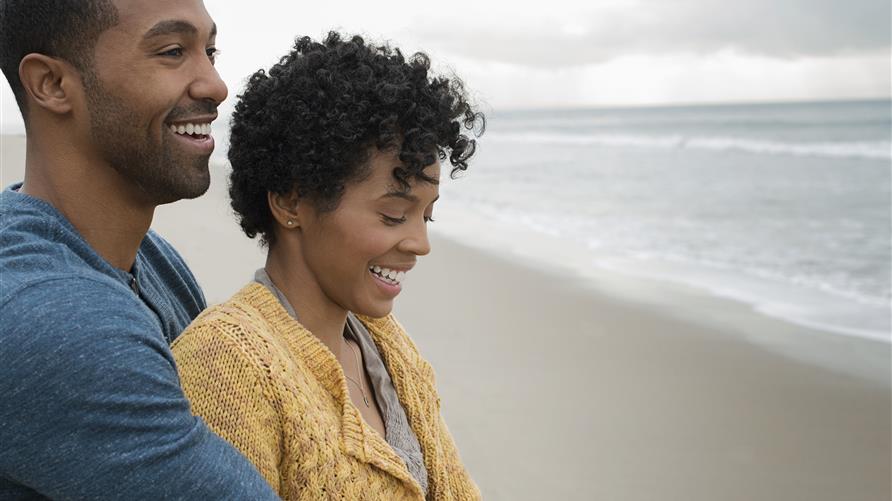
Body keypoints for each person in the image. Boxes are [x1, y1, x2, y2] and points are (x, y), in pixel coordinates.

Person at [170, 32, 485, 499]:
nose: (420, 243)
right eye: (393, 214)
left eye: (427, 215)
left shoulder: (385, 344)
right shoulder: (227, 364)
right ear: (291, 201)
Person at [0, 1, 279, 498]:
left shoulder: (150, 259)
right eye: (172, 51)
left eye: (210, 51)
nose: (216, 85)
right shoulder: (57, 321)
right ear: (52, 84)